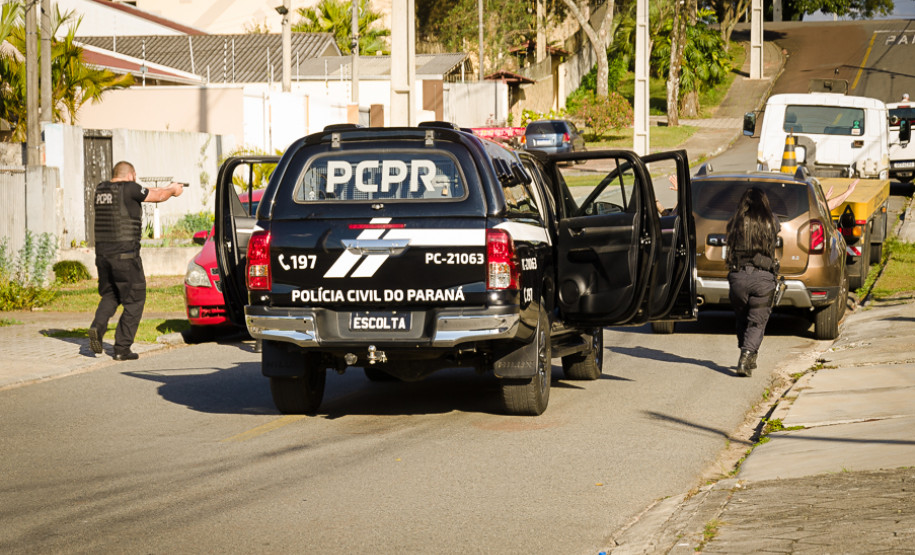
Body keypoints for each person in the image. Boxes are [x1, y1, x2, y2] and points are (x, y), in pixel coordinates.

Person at [87, 161, 184, 360]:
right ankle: (122, 349)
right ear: (131, 175)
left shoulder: (101, 189)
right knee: (135, 300)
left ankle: (97, 327)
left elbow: (147, 190)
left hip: (103, 256)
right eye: (135, 176)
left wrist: (169, 186)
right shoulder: (130, 188)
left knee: (111, 295)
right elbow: (158, 196)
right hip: (126, 257)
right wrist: (173, 191)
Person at [725, 188, 780, 377]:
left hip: (738, 277)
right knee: (757, 322)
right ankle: (746, 356)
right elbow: (777, 229)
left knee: (742, 317)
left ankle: (748, 352)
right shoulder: (772, 221)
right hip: (763, 279)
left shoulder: (735, 221)